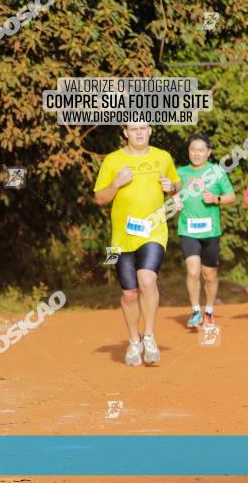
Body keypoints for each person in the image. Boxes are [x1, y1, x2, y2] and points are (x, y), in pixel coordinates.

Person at [94, 124, 180, 366]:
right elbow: (100, 198)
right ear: (125, 133)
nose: (139, 132)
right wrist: (116, 184)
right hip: (120, 239)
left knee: (147, 280)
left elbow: (177, 186)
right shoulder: (112, 161)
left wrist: (171, 188)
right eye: (134, 129)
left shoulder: (163, 157)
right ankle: (134, 340)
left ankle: (149, 336)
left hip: (154, 231)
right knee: (129, 293)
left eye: (143, 128)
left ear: (150, 131)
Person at [175, 134, 235, 329]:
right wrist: (175, 200)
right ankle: (195, 310)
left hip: (210, 232)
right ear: (189, 151)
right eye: (193, 149)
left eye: (201, 150)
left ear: (208, 152)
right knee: (192, 270)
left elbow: (231, 197)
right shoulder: (180, 172)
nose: (196, 153)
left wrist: (216, 198)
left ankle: (208, 311)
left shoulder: (217, 172)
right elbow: (173, 194)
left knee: (210, 275)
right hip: (188, 230)